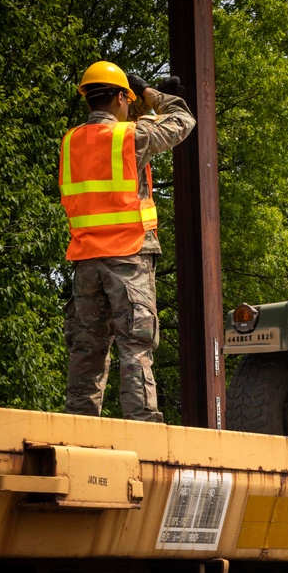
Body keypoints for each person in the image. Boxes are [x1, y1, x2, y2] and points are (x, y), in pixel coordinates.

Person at [59, 61, 196, 421]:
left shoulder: (71, 141)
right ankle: (141, 427)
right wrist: (151, 93)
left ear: (87, 98)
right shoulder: (131, 137)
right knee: (135, 346)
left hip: (86, 261)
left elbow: (110, 135)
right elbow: (183, 120)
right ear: (122, 96)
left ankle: (79, 426)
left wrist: (132, 102)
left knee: (86, 350)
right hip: (128, 256)